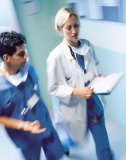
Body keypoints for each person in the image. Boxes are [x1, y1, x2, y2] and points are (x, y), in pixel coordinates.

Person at [0, 31, 66, 160]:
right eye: (21, 54)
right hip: (25, 136)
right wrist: (24, 125)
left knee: (56, 155)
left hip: (45, 124)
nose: (26, 56)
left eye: (25, 51)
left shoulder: (29, 69)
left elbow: (35, 95)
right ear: (6, 58)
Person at [47, 7, 114, 160]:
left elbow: (90, 71)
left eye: (76, 25)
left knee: (103, 145)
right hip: (74, 107)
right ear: (60, 28)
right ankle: (62, 147)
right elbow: (54, 88)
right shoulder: (56, 56)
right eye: (68, 27)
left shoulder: (88, 45)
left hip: (93, 104)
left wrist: (100, 76)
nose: (74, 31)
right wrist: (76, 92)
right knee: (77, 139)